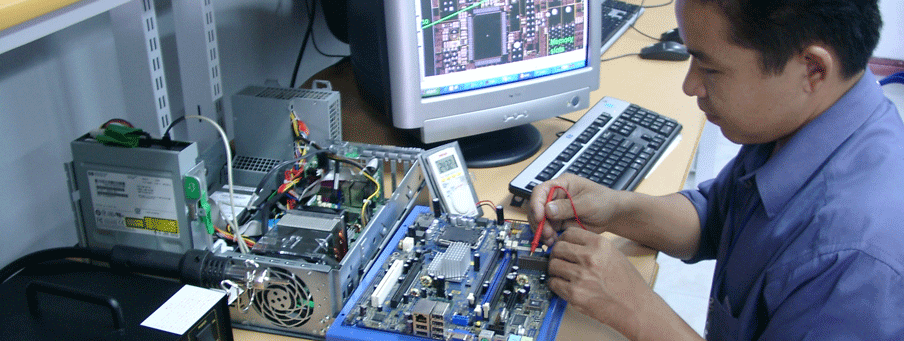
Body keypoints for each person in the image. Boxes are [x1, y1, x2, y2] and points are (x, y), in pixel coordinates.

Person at [529, 0, 904, 339]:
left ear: (813, 69)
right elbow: (717, 219)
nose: (690, 86)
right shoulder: (799, 123)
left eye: (710, 68)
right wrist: (616, 208)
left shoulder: (854, 261)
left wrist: (636, 310)